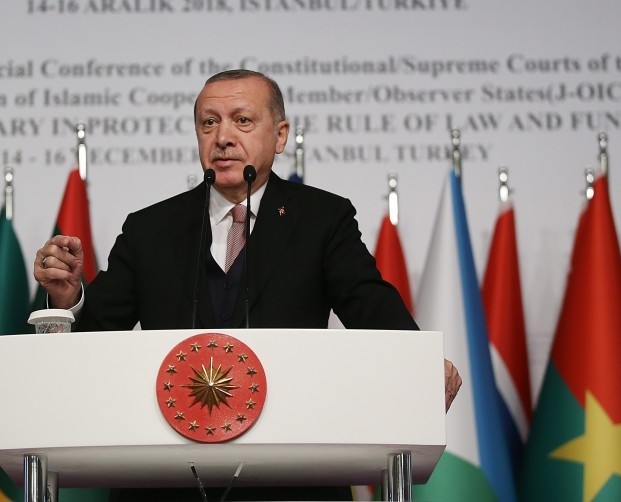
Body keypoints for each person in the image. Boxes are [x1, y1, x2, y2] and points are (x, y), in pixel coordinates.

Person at [34, 69, 462, 501]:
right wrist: (69, 298)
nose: (222, 137)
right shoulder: (151, 228)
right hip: (167, 480)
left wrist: (416, 361)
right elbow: (97, 336)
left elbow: (369, 303)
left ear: (280, 135)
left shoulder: (321, 219)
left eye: (242, 120)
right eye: (208, 122)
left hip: (294, 480)